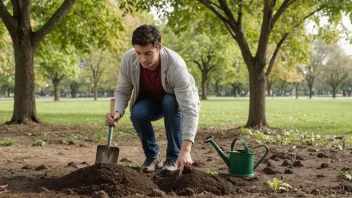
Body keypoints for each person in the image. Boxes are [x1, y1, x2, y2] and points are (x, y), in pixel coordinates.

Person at [105, 25, 200, 173]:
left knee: (170, 101)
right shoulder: (129, 59)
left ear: (159, 47)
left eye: (148, 53)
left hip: (174, 101)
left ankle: (173, 157)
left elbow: (189, 110)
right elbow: (123, 91)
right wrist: (117, 112)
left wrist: (186, 150)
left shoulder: (176, 65)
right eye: (138, 53)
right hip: (150, 100)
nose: (143, 59)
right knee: (137, 113)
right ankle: (153, 156)